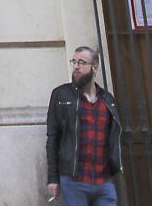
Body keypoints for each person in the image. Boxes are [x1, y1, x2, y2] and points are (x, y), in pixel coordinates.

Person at [46, 46, 123, 206]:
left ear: (94, 68)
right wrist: (52, 178)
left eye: (81, 62)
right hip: (74, 180)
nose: (76, 66)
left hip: (104, 182)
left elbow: (113, 138)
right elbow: (53, 137)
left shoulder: (107, 100)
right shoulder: (61, 95)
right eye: (74, 61)